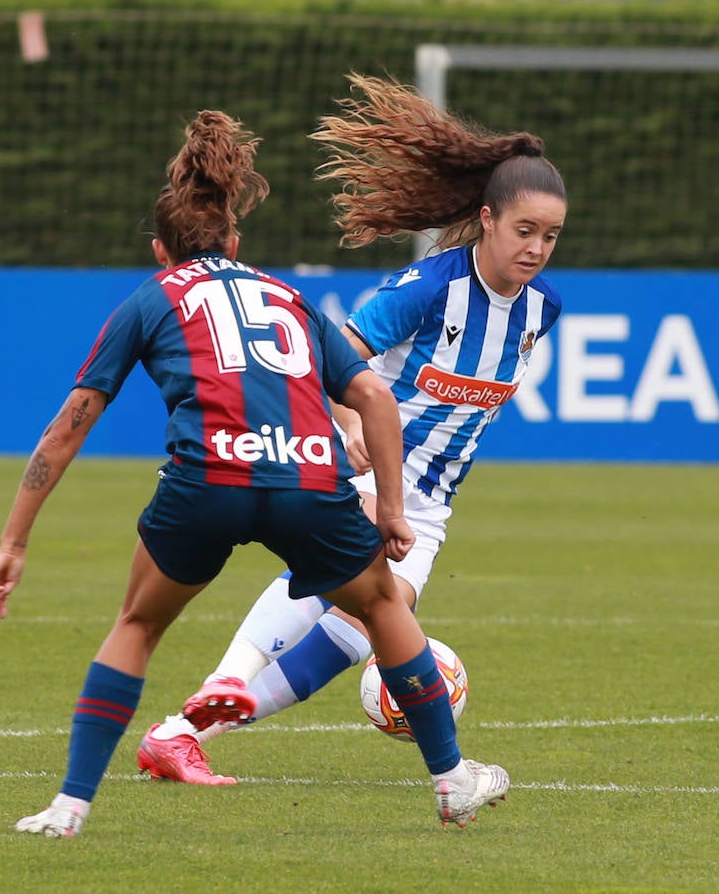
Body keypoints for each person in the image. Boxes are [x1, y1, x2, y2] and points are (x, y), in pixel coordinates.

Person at [0, 109, 510, 839]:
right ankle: (452, 782)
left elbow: (69, 426)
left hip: (208, 481)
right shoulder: (286, 296)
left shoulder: (152, 297)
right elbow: (375, 396)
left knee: (137, 625)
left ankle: (70, 807)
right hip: (307, 479)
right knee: (384, 606)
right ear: (235, 243)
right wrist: (390, 508)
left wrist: (13, 540)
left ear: (161, 251)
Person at [136, 73, 566, 788]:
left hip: (430, 503)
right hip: (369, 468)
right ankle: (228, 681)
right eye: (525, 231)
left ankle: (180, 734)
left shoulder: (541, 309)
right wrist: (346, 431)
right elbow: (332, 356)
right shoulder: (429, 288)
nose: (537, 248)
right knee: (342, 580)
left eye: (550, 236)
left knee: (355, 631)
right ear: (488, 220)